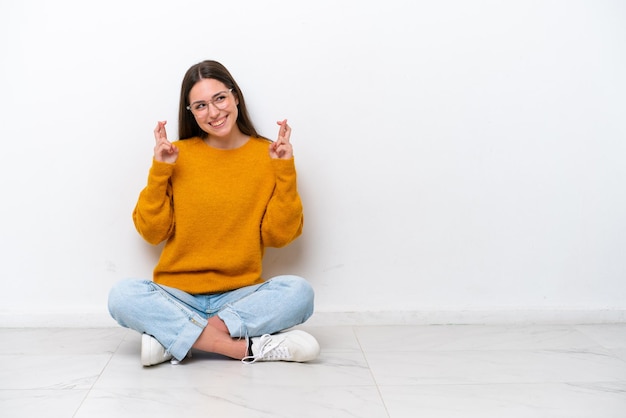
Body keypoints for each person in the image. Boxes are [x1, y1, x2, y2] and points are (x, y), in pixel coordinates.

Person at [108, 60, 319, 366]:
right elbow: (151, 233)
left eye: (219, 98)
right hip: (178, 296)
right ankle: (241, 348)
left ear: (235, 97)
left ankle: (175, 339)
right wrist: (160, 171)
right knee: (122, 295)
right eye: (201, 105)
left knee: (299, 292)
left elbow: (280, 236)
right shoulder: (176, 154)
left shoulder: (268, 154)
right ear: (190, 112)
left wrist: (284, 170)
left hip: (239, 297)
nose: (214, 112)